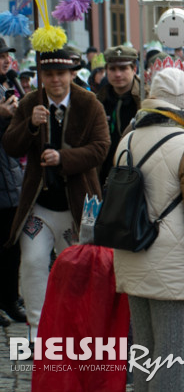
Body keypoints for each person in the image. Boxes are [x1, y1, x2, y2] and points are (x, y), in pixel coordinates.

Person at [111, 67, 184, 392]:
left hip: (132, 255)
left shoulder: (127, 139)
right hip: (175, 269)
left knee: (145, 356)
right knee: (175, 362)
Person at [3, 46, 109, 339]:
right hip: (39, 206)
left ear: (72, 73)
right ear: (41, 76)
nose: (55, 80)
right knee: (34, 262)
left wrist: (64, 158)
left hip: (77, 207)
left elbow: (101, 148)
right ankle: (36, 333)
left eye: (61, 74)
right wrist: (30, 126)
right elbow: (11, 145)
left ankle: (78, 330)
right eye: (48, 74)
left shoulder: (89, 103)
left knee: (77, 271)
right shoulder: (29, 103)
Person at [0, 36, 25, 324]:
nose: (6, 60)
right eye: (1, 56)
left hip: (10, 179)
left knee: (11, 246)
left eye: (7, 55)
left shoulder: (8, 86)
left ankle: (9, 298)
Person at [96, 45, 141, 185]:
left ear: (134, 69)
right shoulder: (98, 101)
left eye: (123, 68)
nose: (117, 74)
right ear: (106, 71)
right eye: (112, 69)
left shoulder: (145, 100)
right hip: (104, 175)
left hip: (136, 175)